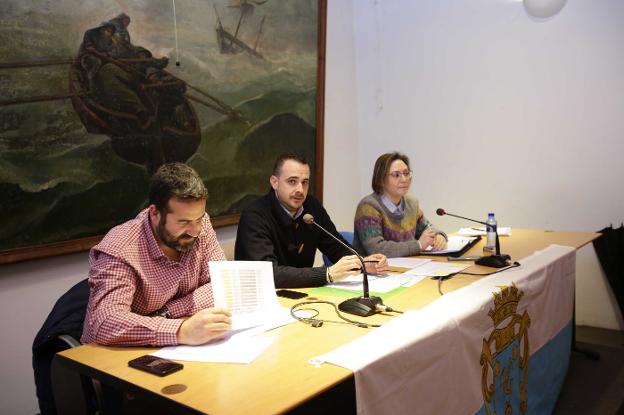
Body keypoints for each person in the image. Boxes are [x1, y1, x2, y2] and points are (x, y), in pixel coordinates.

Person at [81, 163, 231, 347]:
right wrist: (180, 331)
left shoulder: (200, 224)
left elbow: (221, 283)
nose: (195, 231)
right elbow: (106, 323)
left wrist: (168, 312)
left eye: (199, 219)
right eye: (183, 222)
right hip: (113, 355)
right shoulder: (121, 247)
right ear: (154, 213)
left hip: (178, 345)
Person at [235, 153, 387, 288]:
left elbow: (335, 246)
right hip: (265, 299)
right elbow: (268, 274)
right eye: (292, 181)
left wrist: (363, 263)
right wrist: (327, 274)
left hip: (304, 295)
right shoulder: (255, 215)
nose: (300, 190)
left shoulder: (311, 206)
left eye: (305, 182)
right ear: (274, 182)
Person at [353, 152, 447, 258]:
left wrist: (439, 235)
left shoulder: (411, 203)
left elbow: (427, 228)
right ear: (381, 179)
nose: (404, 179)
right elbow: (377, 250)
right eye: (396, 175)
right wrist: (418, 245)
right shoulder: (368, 207)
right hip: (375, 272)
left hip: (409, 268)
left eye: (406, 173)